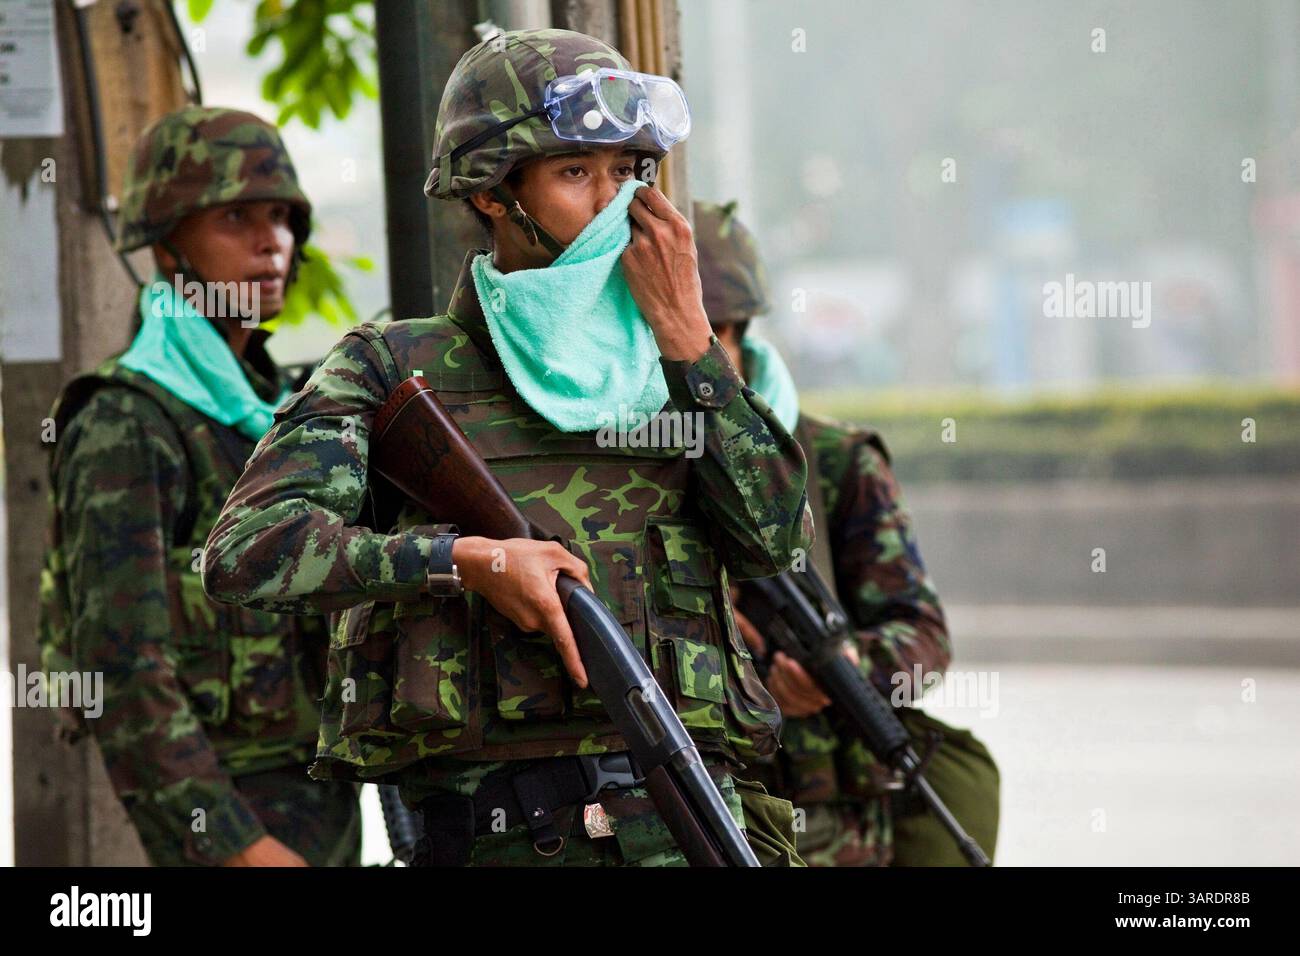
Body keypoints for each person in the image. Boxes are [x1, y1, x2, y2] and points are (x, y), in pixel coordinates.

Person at [202, 29, 812, 867]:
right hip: (504, 835)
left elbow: (773, 537)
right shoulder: (393, 368)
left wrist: (690, 342)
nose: (612, 202)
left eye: (627, 171)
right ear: (493, 193)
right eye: (574, 173)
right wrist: (466, 560)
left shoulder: (675, 365)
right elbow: (246, 553)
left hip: (690, 818)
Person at [38, 106, 360, 867]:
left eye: (282, 217)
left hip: (327, 801)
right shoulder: (129, 419)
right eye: (235, 217)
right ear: (169, 244)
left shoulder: (286, 409)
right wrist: (237, 846)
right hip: (233, 818)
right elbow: (122, 671)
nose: (270, 242)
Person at [693, 199, 1000, 866]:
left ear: (731, 329)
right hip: (685, 813)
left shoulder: (833, 462)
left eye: (705, 335)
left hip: (830, 828)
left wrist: (852, 666)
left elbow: (923, 634)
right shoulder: (627, 465)